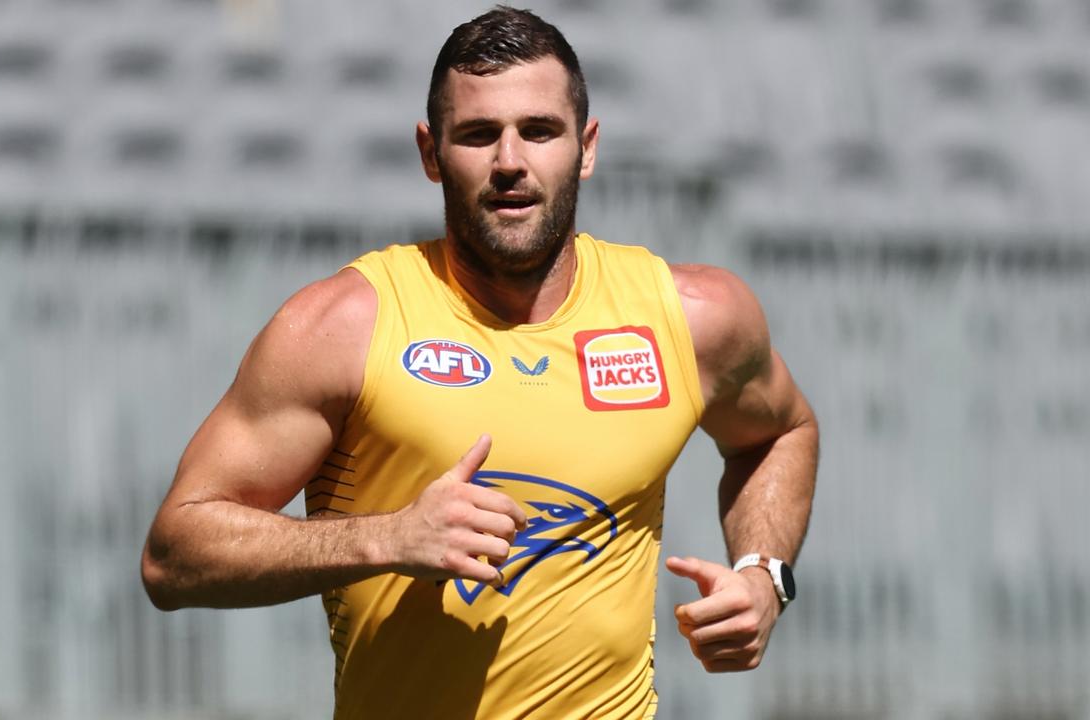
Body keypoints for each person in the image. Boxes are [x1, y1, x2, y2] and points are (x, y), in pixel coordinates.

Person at [141, 6, 818, 719]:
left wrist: (764, 576)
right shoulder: (346, 327)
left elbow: (781, 433)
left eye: (539, 130)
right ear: (430, 153)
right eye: (477, 135)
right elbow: (175, 554)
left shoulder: (690, 318)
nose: (510, 162)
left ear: (586, 147)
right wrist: (388, 537)